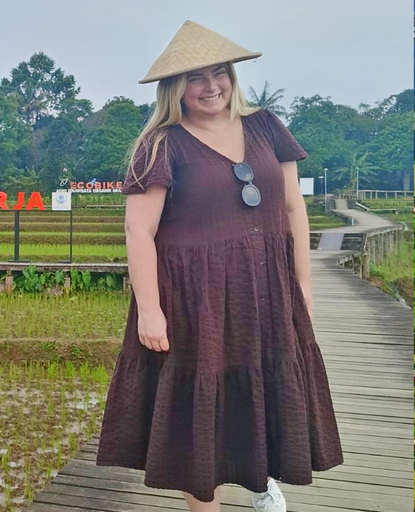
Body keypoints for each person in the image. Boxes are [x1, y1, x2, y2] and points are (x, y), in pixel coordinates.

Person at [94, 20, 344, 512]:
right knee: (200, 402)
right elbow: (138, 231)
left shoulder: (266, 126)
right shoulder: (161, 143)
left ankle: (261, 480)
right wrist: (150, 310)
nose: (211, 86)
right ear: (174, 88)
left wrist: (303, 286)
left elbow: (294, 210)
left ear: (232, 75)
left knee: (269, 382)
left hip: (267, 287)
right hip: (195, 298)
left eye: (219, 73)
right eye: (195, 78)